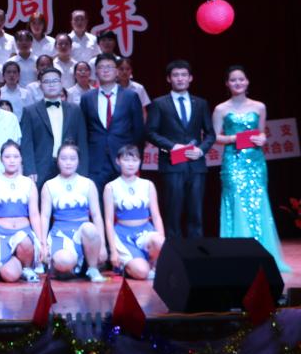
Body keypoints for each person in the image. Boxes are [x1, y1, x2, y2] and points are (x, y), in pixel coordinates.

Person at [213, 65, 292, 272]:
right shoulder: (221, 109)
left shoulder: (259, 107)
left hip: (256, 162)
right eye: (233, 80)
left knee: (258, 203)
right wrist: (234, 138)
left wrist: (262, 138)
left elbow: (262, 132)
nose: (237, 83)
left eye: (241, 79)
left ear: (247, 81)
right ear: (227, 84)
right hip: (233, 161)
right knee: (236, 202)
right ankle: (238, 254)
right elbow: (215, 137)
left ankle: (262, 253)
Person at [145, 60, 216, 239]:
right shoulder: (159, 103)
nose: (180, 78)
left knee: (196, 214)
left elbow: (210, 134)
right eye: (176, 75)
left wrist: (201, 150)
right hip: (172, 165)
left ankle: (196, 251)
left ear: (190, 78)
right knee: (172, 213)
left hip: (196, 165)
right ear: (169, 79)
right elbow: (150, 132)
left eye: (184, 75)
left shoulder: (201, 103)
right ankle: (174, 251)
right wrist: (172, 146)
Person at [40, 143, 106, 282]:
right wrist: (43, 245)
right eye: (64, 158)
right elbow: (45, 217)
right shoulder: (49, 185)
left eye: (72, 158)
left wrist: (103, 246)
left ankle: (92, 269)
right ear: (57, 161)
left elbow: (96, 216)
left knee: (89, 227)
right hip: (59, 234)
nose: (68, 162)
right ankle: (69, 267)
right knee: (63, 261)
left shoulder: (88, 184)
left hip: (83, 234)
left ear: (78, 161)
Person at [80, 54, 144, 194]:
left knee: (123, 202)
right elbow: (83, 130)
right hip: (95, 161)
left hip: (123, 159)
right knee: (97, 203)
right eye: (101, 67)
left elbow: (138, 131)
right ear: (96, 72)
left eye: (109, 67)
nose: (105, 70)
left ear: (117, 71)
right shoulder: (87, 98)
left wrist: (135, 160)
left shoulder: (130, 96)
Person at [0, 141, 44, 283]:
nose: (12, 160)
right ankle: (13, 266)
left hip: (24, 234)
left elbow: (35, 215)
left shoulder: (29, 183)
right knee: (10, 276)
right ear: (1, 159)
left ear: (21, 158)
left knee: (25, 241)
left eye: (16, 157)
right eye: (7, 157)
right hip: (2, 234)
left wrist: (41, 241)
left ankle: (26, 267)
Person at [103, 145, 165, 280]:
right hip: (124, 236)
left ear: (140, 162)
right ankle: (126, 266)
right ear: (118, 161)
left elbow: (156, 216)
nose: (130, 164)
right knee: (142, 272)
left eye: (135, 160)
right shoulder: (111, 187)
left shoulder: (148, 185)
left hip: (145, 232)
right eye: (126, 160)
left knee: (160, 241)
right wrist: (113, 251)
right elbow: (108, 221)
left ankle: (151, 263)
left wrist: (161, 244)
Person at [19, 68, 89, 186]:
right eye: (46, 81)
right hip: (40, 167)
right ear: (40, 86)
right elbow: (27, 144)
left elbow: (82, 142)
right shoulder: (30, 111)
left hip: (70, 165)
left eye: (55, 81)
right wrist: (30, 169)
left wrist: (82, 171)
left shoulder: (75, 110)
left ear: (61, 84)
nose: (51, 84)